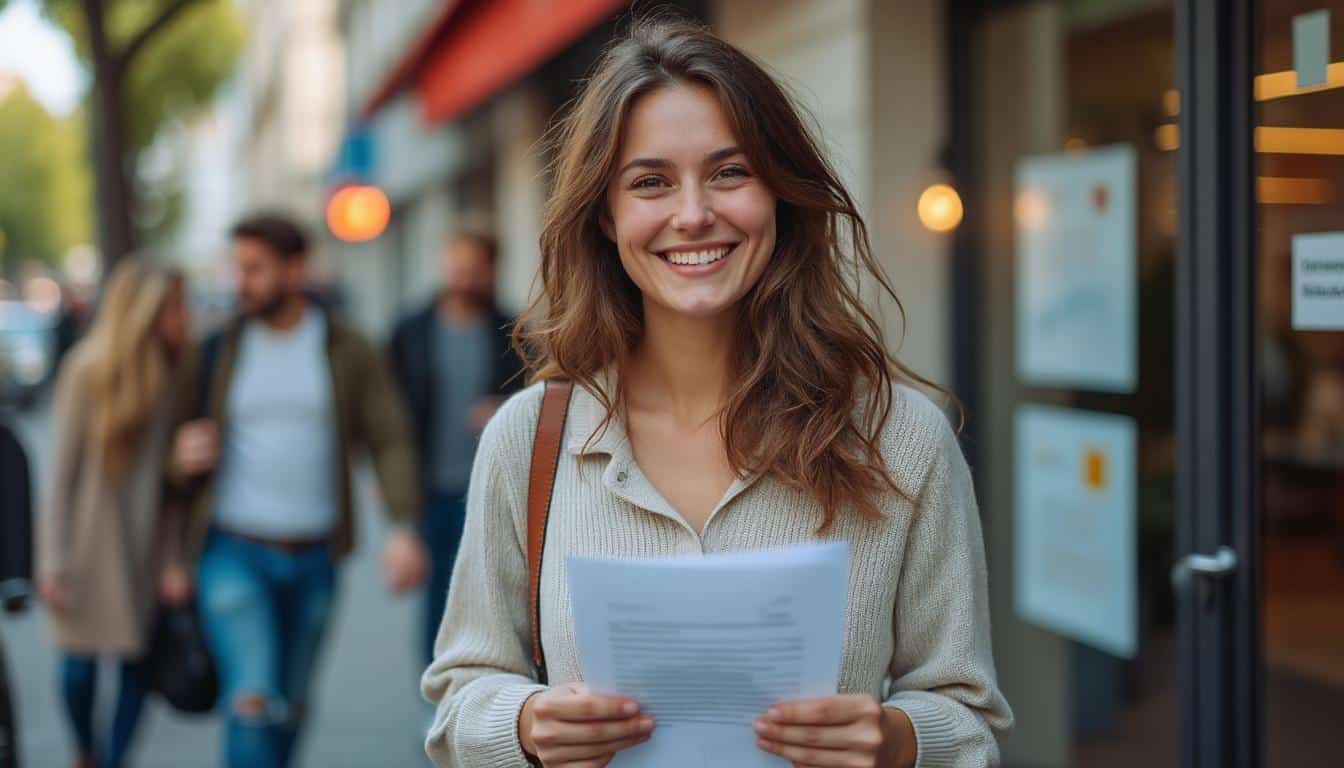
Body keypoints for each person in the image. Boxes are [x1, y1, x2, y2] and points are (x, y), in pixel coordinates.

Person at [422, 17, 1012, 768]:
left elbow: (967, 719)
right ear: (606, 215)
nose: (694, 213)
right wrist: (524, 723)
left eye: (730, 172)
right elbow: (458, 702)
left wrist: (899, 739)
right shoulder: (529, 439)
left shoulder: (903, 437)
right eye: (650, 182)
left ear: (781, 195)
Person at [166, 213, 428, 768]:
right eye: (237, 268)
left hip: (315, 559)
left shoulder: (346, 346)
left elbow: (389, 436)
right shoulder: (216, 350)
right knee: (253, 697)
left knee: (291, 706)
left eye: (254, 269)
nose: (241, 282)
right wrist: (178, 457)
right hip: (233, 551)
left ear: (294, 270)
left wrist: (403, 527)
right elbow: (166, 448)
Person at [36, 261, 193, 768]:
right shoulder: (87, 370)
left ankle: (112, 760)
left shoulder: (174, 371)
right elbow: (62, 472)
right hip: (87, 545)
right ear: (145, 309)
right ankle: (85, 749)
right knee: (78, 672)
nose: (182, 316)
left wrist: (172, 560)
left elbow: (171, 486)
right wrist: (52, 560)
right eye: (174, 305)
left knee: (136, 672)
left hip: (144, 544)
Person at [388, 231, 526, 666]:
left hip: (492, 487)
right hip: (431, 484)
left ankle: (489, 680)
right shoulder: (410, 331)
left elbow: (539, 395)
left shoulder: (515, 332)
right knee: (438, 596)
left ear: (490, 269)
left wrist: (504, 409)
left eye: (473, 266)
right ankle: (437, 693)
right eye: (456, 263)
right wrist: (390, 483)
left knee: (495, 592)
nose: (463, 275)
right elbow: (389, 413)